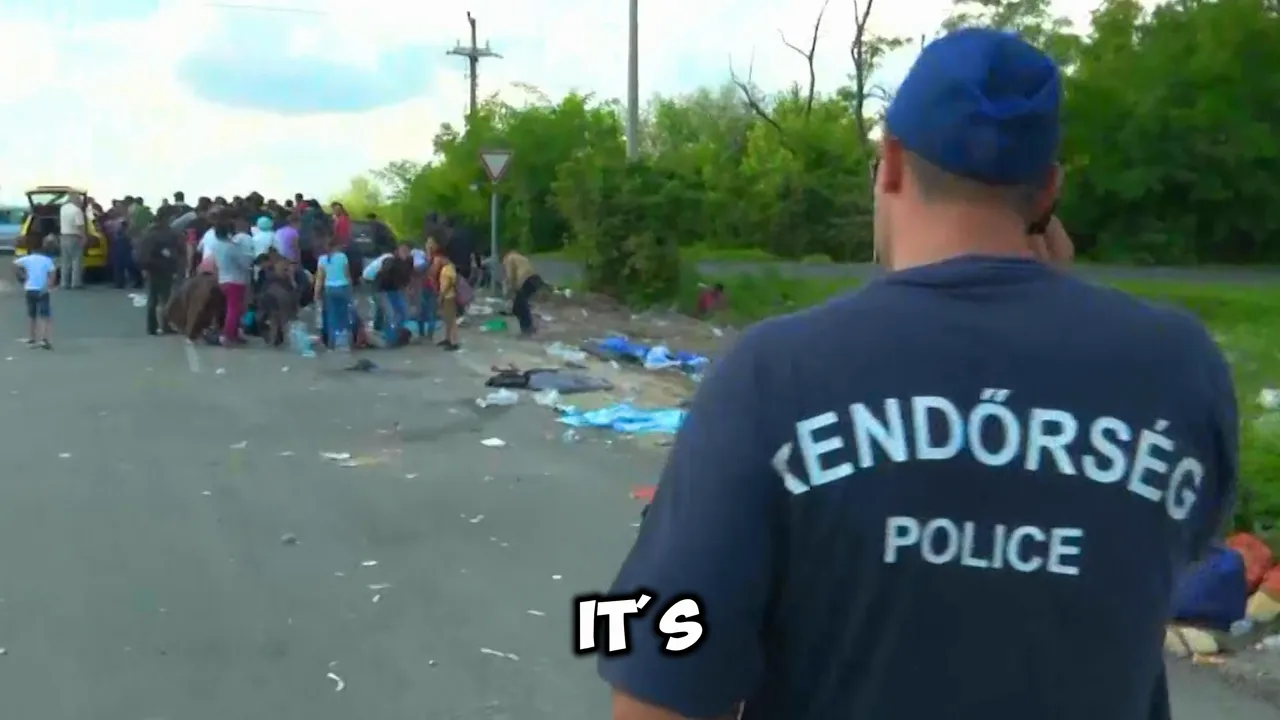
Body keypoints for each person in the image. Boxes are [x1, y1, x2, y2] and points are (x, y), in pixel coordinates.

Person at [597, 28, 1237, 720]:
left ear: (891, 162)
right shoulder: (1178, 368)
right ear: (1048, 189)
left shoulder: (774, 375)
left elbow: (659, 683)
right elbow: (1151, 557)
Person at [211, 216, 253, 345]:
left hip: (223, 278)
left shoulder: (216, 246)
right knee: (234, 309)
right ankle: (228, 335)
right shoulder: (232, 247)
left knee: (231, 308)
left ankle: (233, 333)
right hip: (236, 280)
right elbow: (244, 263)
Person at [138, 220, 183, 335]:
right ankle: (165, 325)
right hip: (164, 270)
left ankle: (151, 327)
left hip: (151, 270)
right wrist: (175, 269)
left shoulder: (146, 237)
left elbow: (141, 255)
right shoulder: (167, 237)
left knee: (152, 299)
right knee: (165, 299)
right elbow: (174, 254)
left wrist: (143, 268)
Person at [14, 237, 56, 349]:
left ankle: (32, 337)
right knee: (45, 315)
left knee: (32, 315)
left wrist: (22, 277)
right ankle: (45, 338)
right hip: (43, 290)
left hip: (30, 288)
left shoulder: (27, 259)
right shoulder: (48, 260)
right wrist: (50, 286)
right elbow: (52, 275)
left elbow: (15, 264)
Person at [315, 235, 354, 349]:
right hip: (343, 287)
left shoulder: (322, 259)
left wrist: (316, 293)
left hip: (329, 289)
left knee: (332, 316)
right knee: (343, 315)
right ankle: (344, 342)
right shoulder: (342, 257)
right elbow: (347, 275)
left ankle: (332, 343)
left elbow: (320, 278)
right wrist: (351, 290)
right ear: (337, 246)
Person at [502, 248, 542, 336]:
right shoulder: (521, 257)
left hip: (526, 280)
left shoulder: (509, 258)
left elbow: (511, 275)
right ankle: (527, 327)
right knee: (522, 303)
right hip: (535, 279)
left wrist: (511, 288)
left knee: (518, 306)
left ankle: (527, 328)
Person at [432, 244, 461, 351]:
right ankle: (448, 339)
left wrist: (441, 296)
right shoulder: (447, 267)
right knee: (447, 320)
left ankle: (454, 342)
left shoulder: (448, 268)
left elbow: (449, 283)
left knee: (451, 320)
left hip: (449, 296)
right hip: (447, 296)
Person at [58, 191, 87, 289]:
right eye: (79, 199)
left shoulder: (63, 209)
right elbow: (80, 225)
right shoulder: (77, 210)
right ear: (76, 199)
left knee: (65, 261)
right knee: (76, 260)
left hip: (63, 236)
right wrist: (84, 236)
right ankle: (76, 283)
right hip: (74, 236)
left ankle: (64, 283)